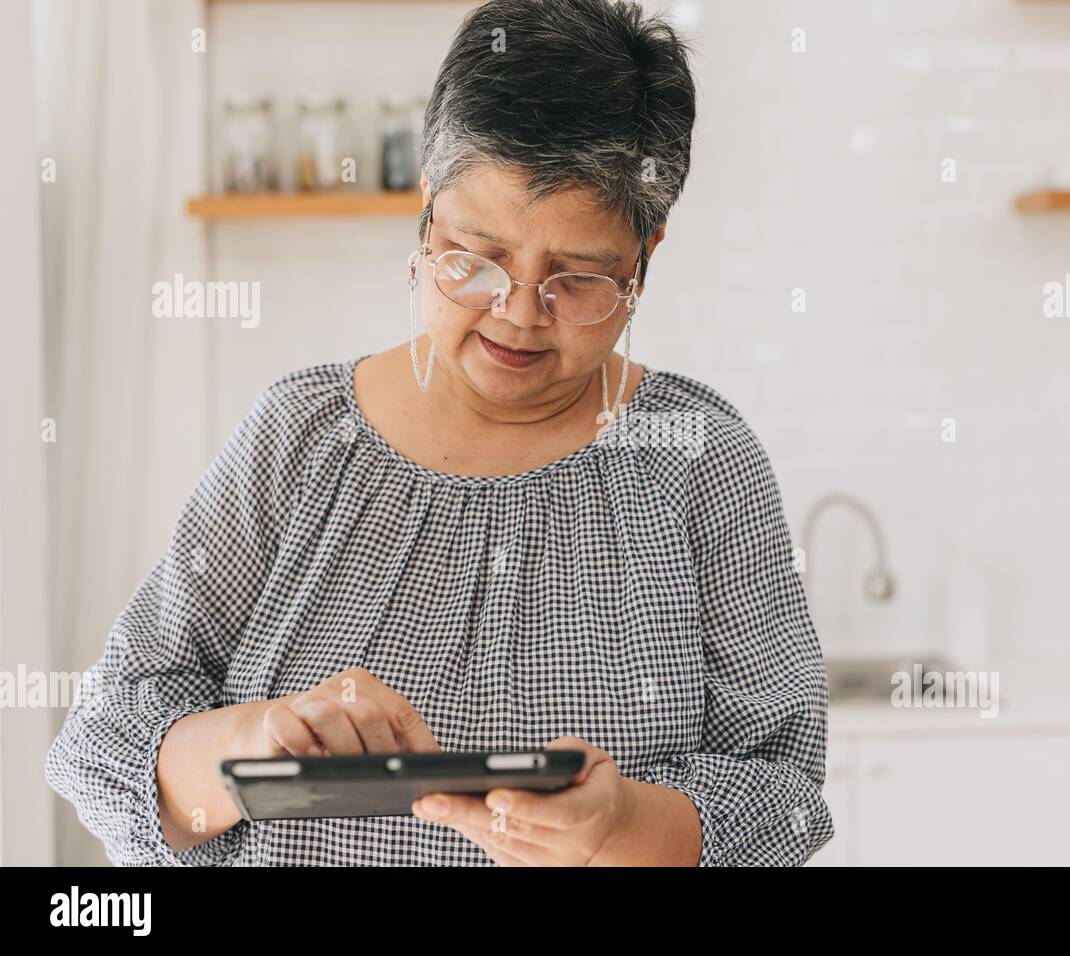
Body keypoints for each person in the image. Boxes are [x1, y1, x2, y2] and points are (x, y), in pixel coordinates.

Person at [45, 0, 833, 866]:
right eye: (474, 255)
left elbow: (787, 802)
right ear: (426, 206)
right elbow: (105, 741)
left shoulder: (699, 460)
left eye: (577, 277)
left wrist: (619, 829)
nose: (519, 314)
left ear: (648, 249)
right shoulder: (296, 439)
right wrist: (251, 744)